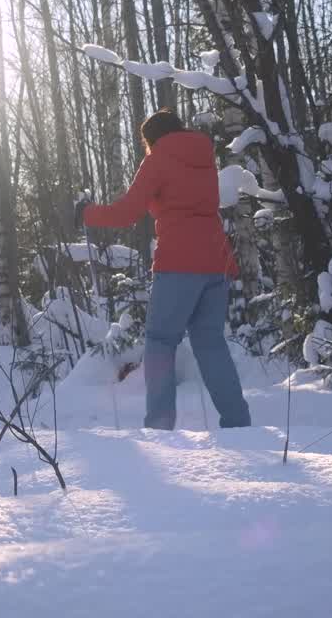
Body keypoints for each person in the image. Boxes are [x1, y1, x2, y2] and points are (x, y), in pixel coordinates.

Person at [76, 108, 251, 430]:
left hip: (180, 264)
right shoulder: (203, 159)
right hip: (217, 263)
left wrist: (88, 213)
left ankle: (159, 426)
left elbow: (126, 212)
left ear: (151, 139)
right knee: (211, 343)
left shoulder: (158, 159)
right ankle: (238, 422)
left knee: (160, 341)